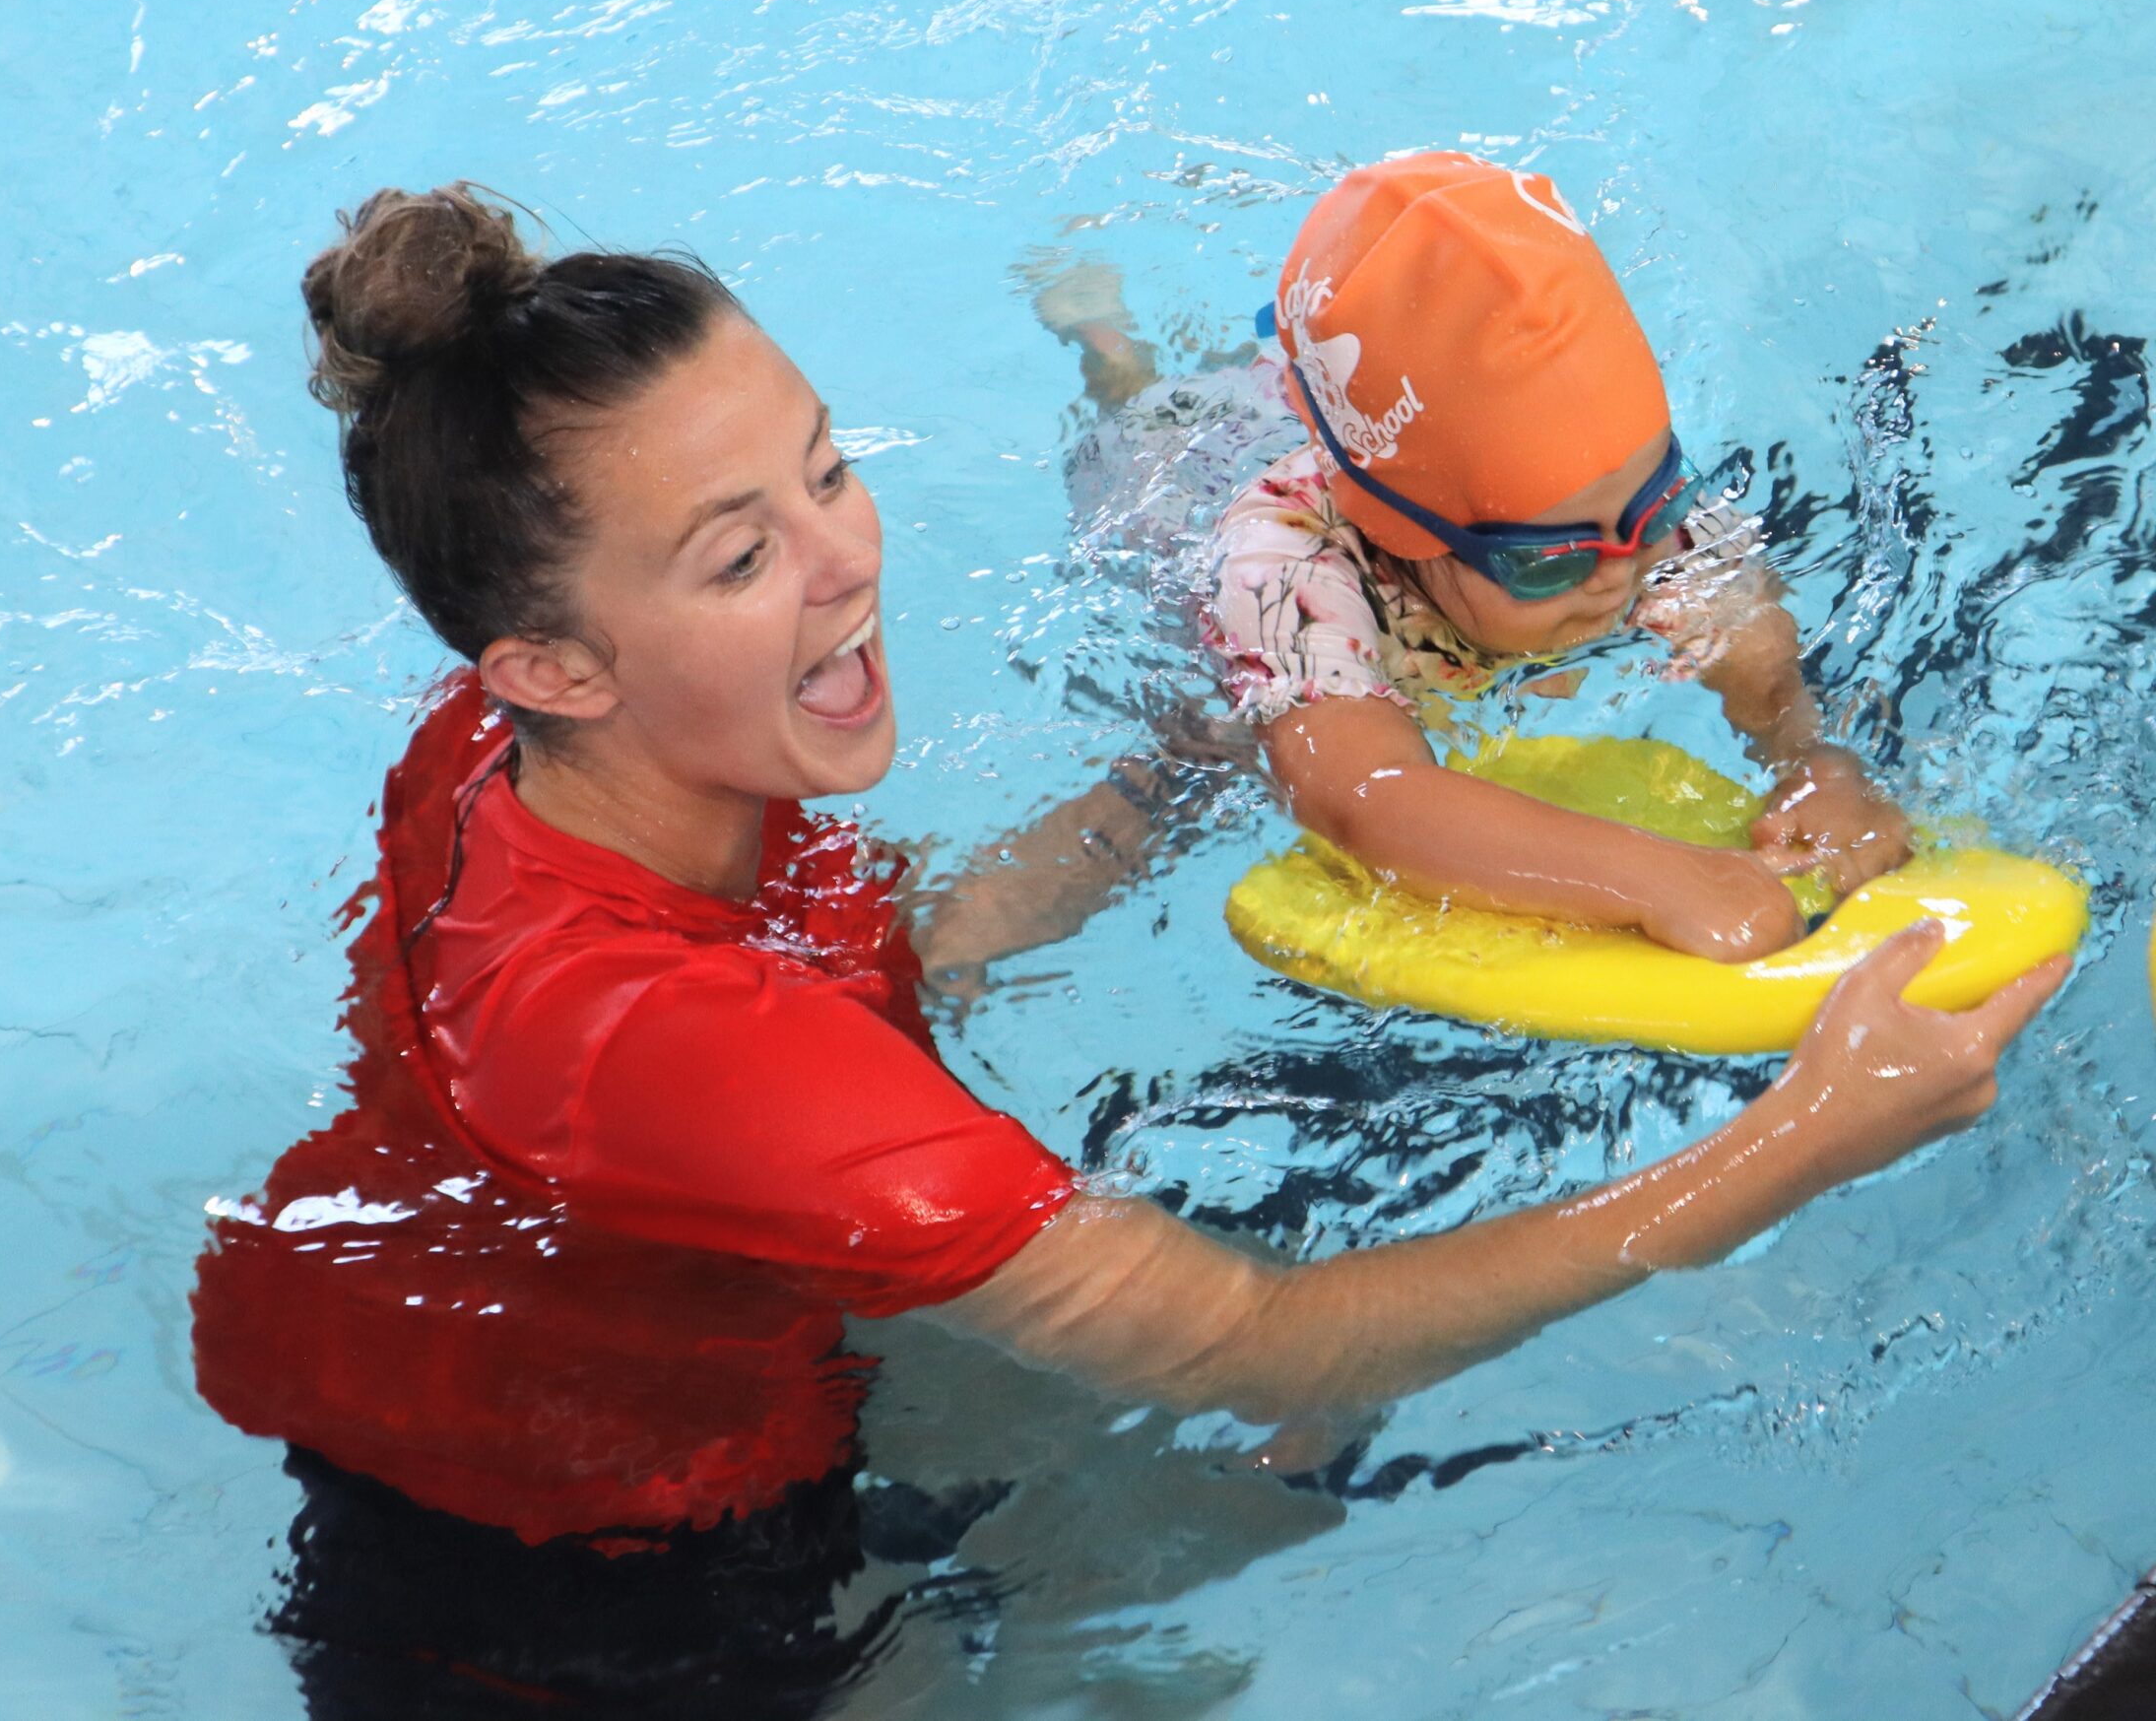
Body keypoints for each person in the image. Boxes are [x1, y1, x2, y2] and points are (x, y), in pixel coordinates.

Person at [191, 181, 2064, 1719]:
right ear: (552, 663)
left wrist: (1149, 796)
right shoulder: (677, 1037)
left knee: (1298, 1446)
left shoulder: (523, 764)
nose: (846, 562)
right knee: (1267, 1484)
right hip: (587, 1601)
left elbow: (873, 955)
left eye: (827, 472)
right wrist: (1814, 1127)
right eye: (737, 555)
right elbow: (1258, 1338)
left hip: (600, 1332)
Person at [1048, 150, 1915, 963]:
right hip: (1186, 467)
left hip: (1386, 420)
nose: (1623, 570)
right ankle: (1104, 338)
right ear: (1401, 538)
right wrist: (1662, 878)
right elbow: (1367, 796)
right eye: (1549, 562)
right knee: (1195, 760)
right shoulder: (1286, 568)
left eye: (1660, 508)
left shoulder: (1617, 498)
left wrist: (1810, 763)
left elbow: (1755, 644)